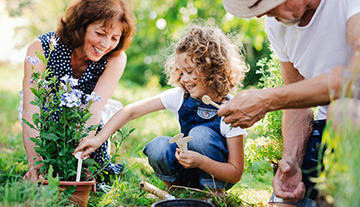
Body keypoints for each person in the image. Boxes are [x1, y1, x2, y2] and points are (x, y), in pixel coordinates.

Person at [73, 23, 249, 192]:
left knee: (200, 135)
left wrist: (201, 161)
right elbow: (130, 111)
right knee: (158, 146)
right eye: (181, 72)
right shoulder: (181, 96)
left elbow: (235, 172)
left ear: (212, 68)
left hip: (215, 173)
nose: (184, 79)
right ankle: (175, 187)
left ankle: (213, 191)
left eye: (190, 71)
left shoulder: (230, 111)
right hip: (186, 168)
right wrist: (99, 138)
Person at [221, 0, 360, 206]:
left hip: (349, 118)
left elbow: (353, 78)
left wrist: (267, 99)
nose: (261, 15)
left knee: (342, 111)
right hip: (326, 129)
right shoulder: (277, 25)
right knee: (283, 201)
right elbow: (298, 104)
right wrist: (291, 160)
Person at [20, 0, 136, 183]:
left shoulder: (116, 58)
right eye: (100, 33)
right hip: (46, 113)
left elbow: (94, 109)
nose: (106, 44)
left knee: (94, 168)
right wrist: (35, 163)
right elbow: (30, 110)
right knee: (47, 162)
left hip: (84, 118)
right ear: (82, 27)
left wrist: (80, 155)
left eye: (115, 38)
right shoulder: (40, 47)